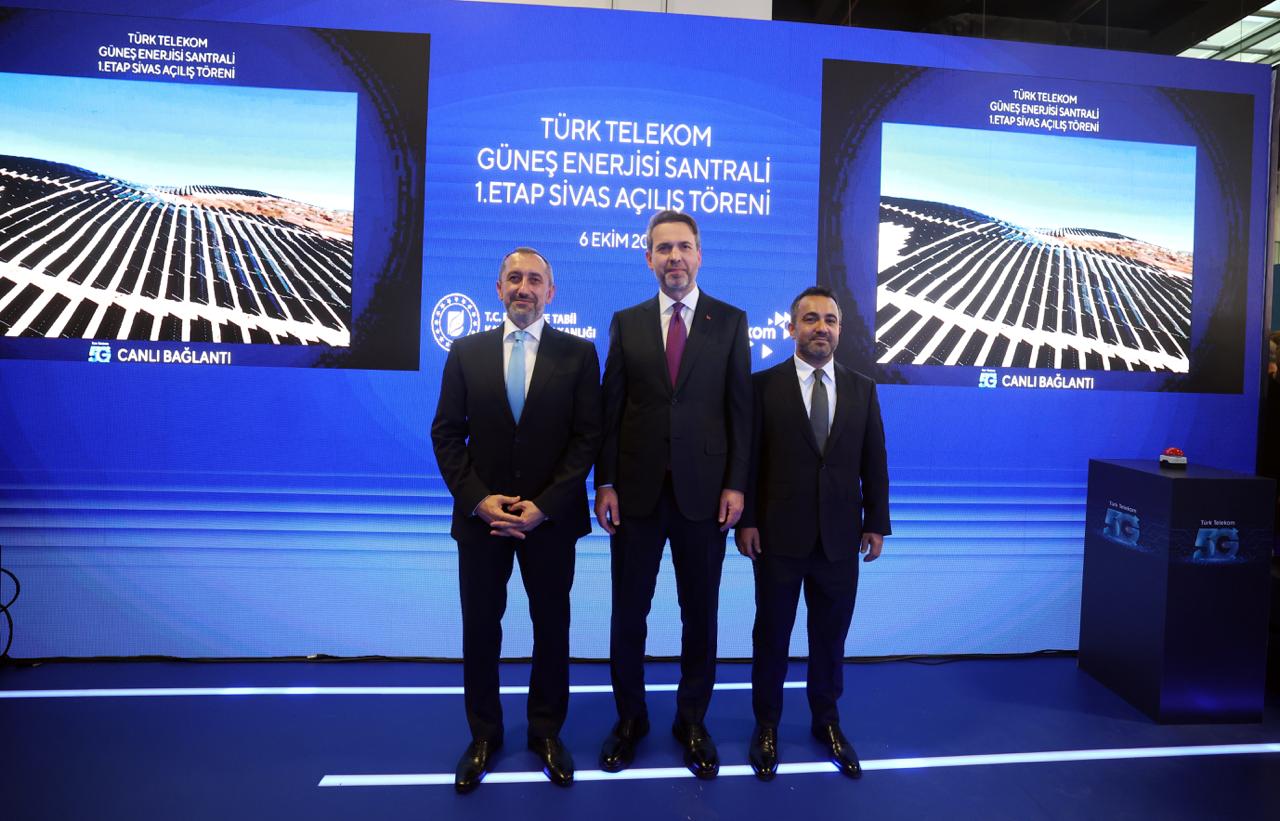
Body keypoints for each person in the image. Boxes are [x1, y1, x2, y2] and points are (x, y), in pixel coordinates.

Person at [431, 248, 602, 793]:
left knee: (552, 628)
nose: (523, 287)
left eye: (534, 279)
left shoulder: (579, 354)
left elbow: (586, 440)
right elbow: (446, 434)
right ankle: (484, 735)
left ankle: (546, 732)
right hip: (482, 522)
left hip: (550, 522)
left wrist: (544, 506)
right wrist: (478, 500)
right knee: (481, 629)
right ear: (498, 288)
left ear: (551, 292)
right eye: (514, 278)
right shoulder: (466, 352)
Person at [594, 210, 752, 779]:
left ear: (699, 255)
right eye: (664, 248)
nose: (675, 257)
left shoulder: (730, 321)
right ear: (648, 259)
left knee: (700, 615)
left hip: (705, 497)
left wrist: (736, 483)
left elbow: (741, 412)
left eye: (684, 246)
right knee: (627, 615)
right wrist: (604, 482)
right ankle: (630, 720)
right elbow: (611, 410)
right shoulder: (626, 322)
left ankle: (692, 722)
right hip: (635, 496)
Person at [735, 286, 890, 781]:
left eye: (830, 320)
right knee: (772, 637)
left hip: (840, 539)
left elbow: (874, 461)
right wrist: (747, 520)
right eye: (810, 319)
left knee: (830, 637)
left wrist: (876, 523)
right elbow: (748, 460)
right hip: (776, 538)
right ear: (791, 328)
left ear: (839, 329)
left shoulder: (863, 388)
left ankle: (827, 722)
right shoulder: (761, 387)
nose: (821, 327)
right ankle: (766, 726)